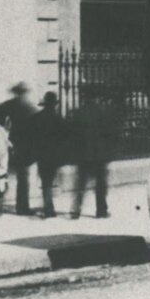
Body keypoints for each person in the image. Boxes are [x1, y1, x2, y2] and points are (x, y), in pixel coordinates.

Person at [0, 82, 36, 215]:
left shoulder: (9, 105)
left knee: (4, 174)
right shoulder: (29, 107)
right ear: (23, 93)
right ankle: (22, 208)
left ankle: (0, 205)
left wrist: (3, 130)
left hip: (9, 144)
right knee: (23, 179)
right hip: (24, 147)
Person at [70, 87, 113, 219]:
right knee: (101, 185)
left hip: (84, 154)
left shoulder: (78, 113)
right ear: (97, 98)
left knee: (81, 185)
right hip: (99, 154)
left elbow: (73, 135)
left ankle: (76, 210)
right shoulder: (103, 112)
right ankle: (101, 211)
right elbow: (109, 134)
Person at [31, 91, 68, 217]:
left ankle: (48, 207)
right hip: (54, 155)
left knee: (45, 182)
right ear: (54, 105)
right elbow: (64, 138)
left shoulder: (36, 118)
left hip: (42, 154)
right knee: (49, 181)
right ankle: (49, 208)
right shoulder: (58, 119)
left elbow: (32, 137)